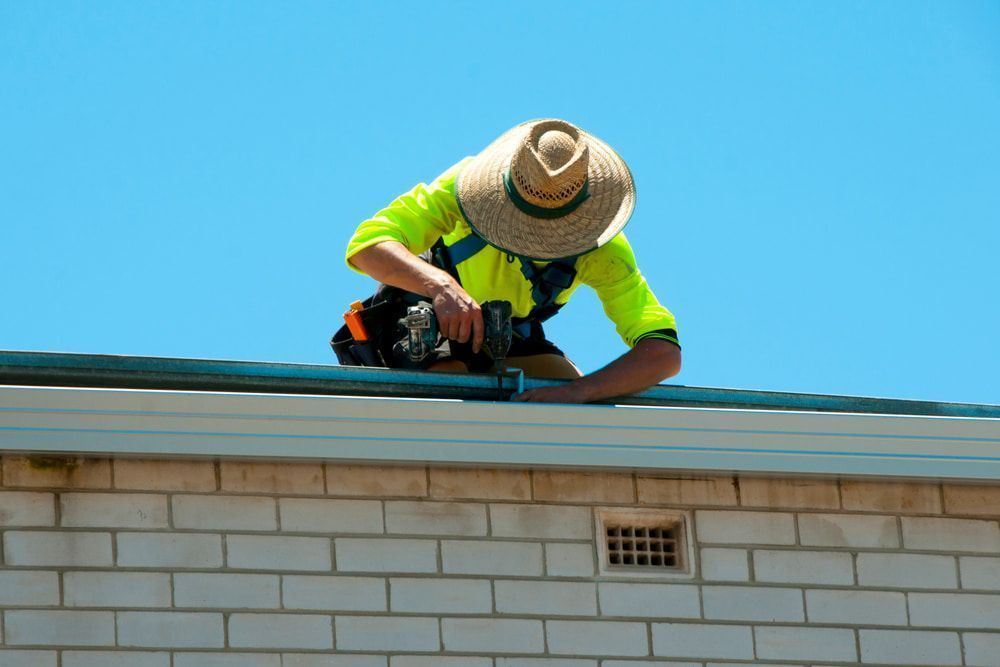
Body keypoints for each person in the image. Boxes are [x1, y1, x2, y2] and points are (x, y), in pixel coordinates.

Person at [343, 118, 680, 403]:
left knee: (581, 415)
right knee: (449, 387)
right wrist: (440, 285)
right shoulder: (462, 188)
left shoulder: (603, 249)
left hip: (507, 340)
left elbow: (663, 352)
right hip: (424, 331)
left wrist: (580, 390)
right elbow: (366, 246)